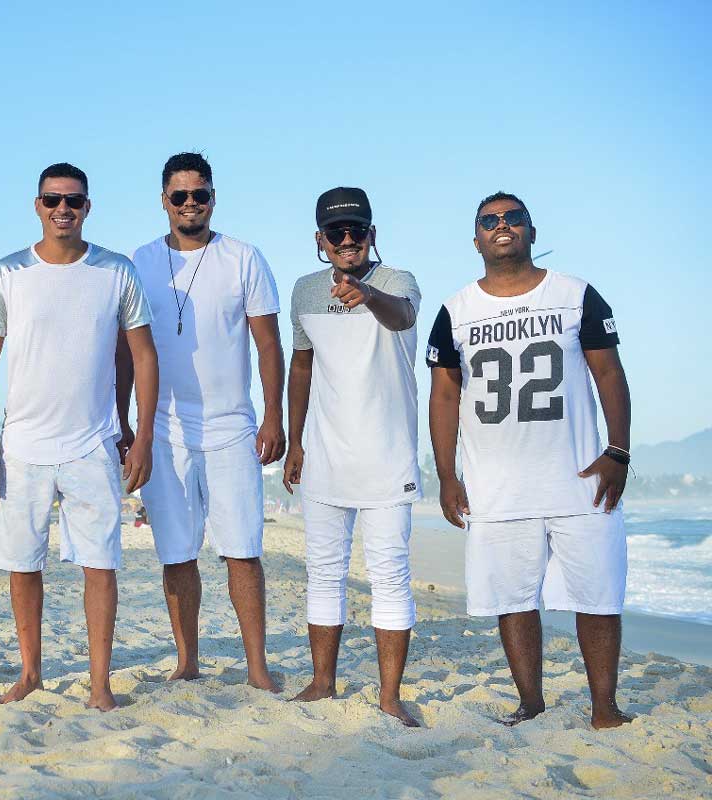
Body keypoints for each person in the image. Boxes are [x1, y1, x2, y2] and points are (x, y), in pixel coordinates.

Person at [426, 191, 632, 730]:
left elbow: (609, 373)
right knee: (512, 597)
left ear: (531, 231)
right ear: (475, 240)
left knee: (599, 593)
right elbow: (444, 394)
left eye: (513, 218)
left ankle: (605, 707)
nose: (502, 226)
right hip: (496, 484)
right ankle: (531, 702)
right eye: (489, 221)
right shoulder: (455, 310)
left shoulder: (576, 294)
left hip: (579, 477)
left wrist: (619, 450)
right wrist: (447, 474)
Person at [0, 162, 159, 711]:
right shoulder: (9, 272)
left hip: (94, 443)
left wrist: (141, 434)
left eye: (73, 201)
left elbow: (143, 355)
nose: (63, 210)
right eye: (53, 200)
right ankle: (31, 672)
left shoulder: (116, 271)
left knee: (100, 566)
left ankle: (100, 684)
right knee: (23, 565)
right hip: (23, 446)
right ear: (37, 205)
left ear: (87, 207)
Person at [118, 153, 284, 690]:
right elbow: (124, 351)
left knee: (243, 551)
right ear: (163, 200)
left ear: (214, 198)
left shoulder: (243, 258)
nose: (191, 204)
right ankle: (187, 659)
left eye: (200, 194)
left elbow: (268, 343)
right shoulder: (138, 261)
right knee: (177, 552)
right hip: (164, 430)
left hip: (233, 425)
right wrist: (125, 420)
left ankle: (257, 665)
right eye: (180, 195)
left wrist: (274, 417)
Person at [282, 188, 422, 725]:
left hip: (388, 458)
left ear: (372, 235)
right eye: (336, 233)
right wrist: (294, 442)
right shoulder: (305, 291)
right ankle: (322, 683)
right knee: (324, 573)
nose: (347, 241)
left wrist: (365, 293)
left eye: (356, 231)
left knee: (389, 574)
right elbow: (301, 367)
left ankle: (389, 697)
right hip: (324, 454)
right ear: (319, 240)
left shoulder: (396, 282)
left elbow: (403, 318)